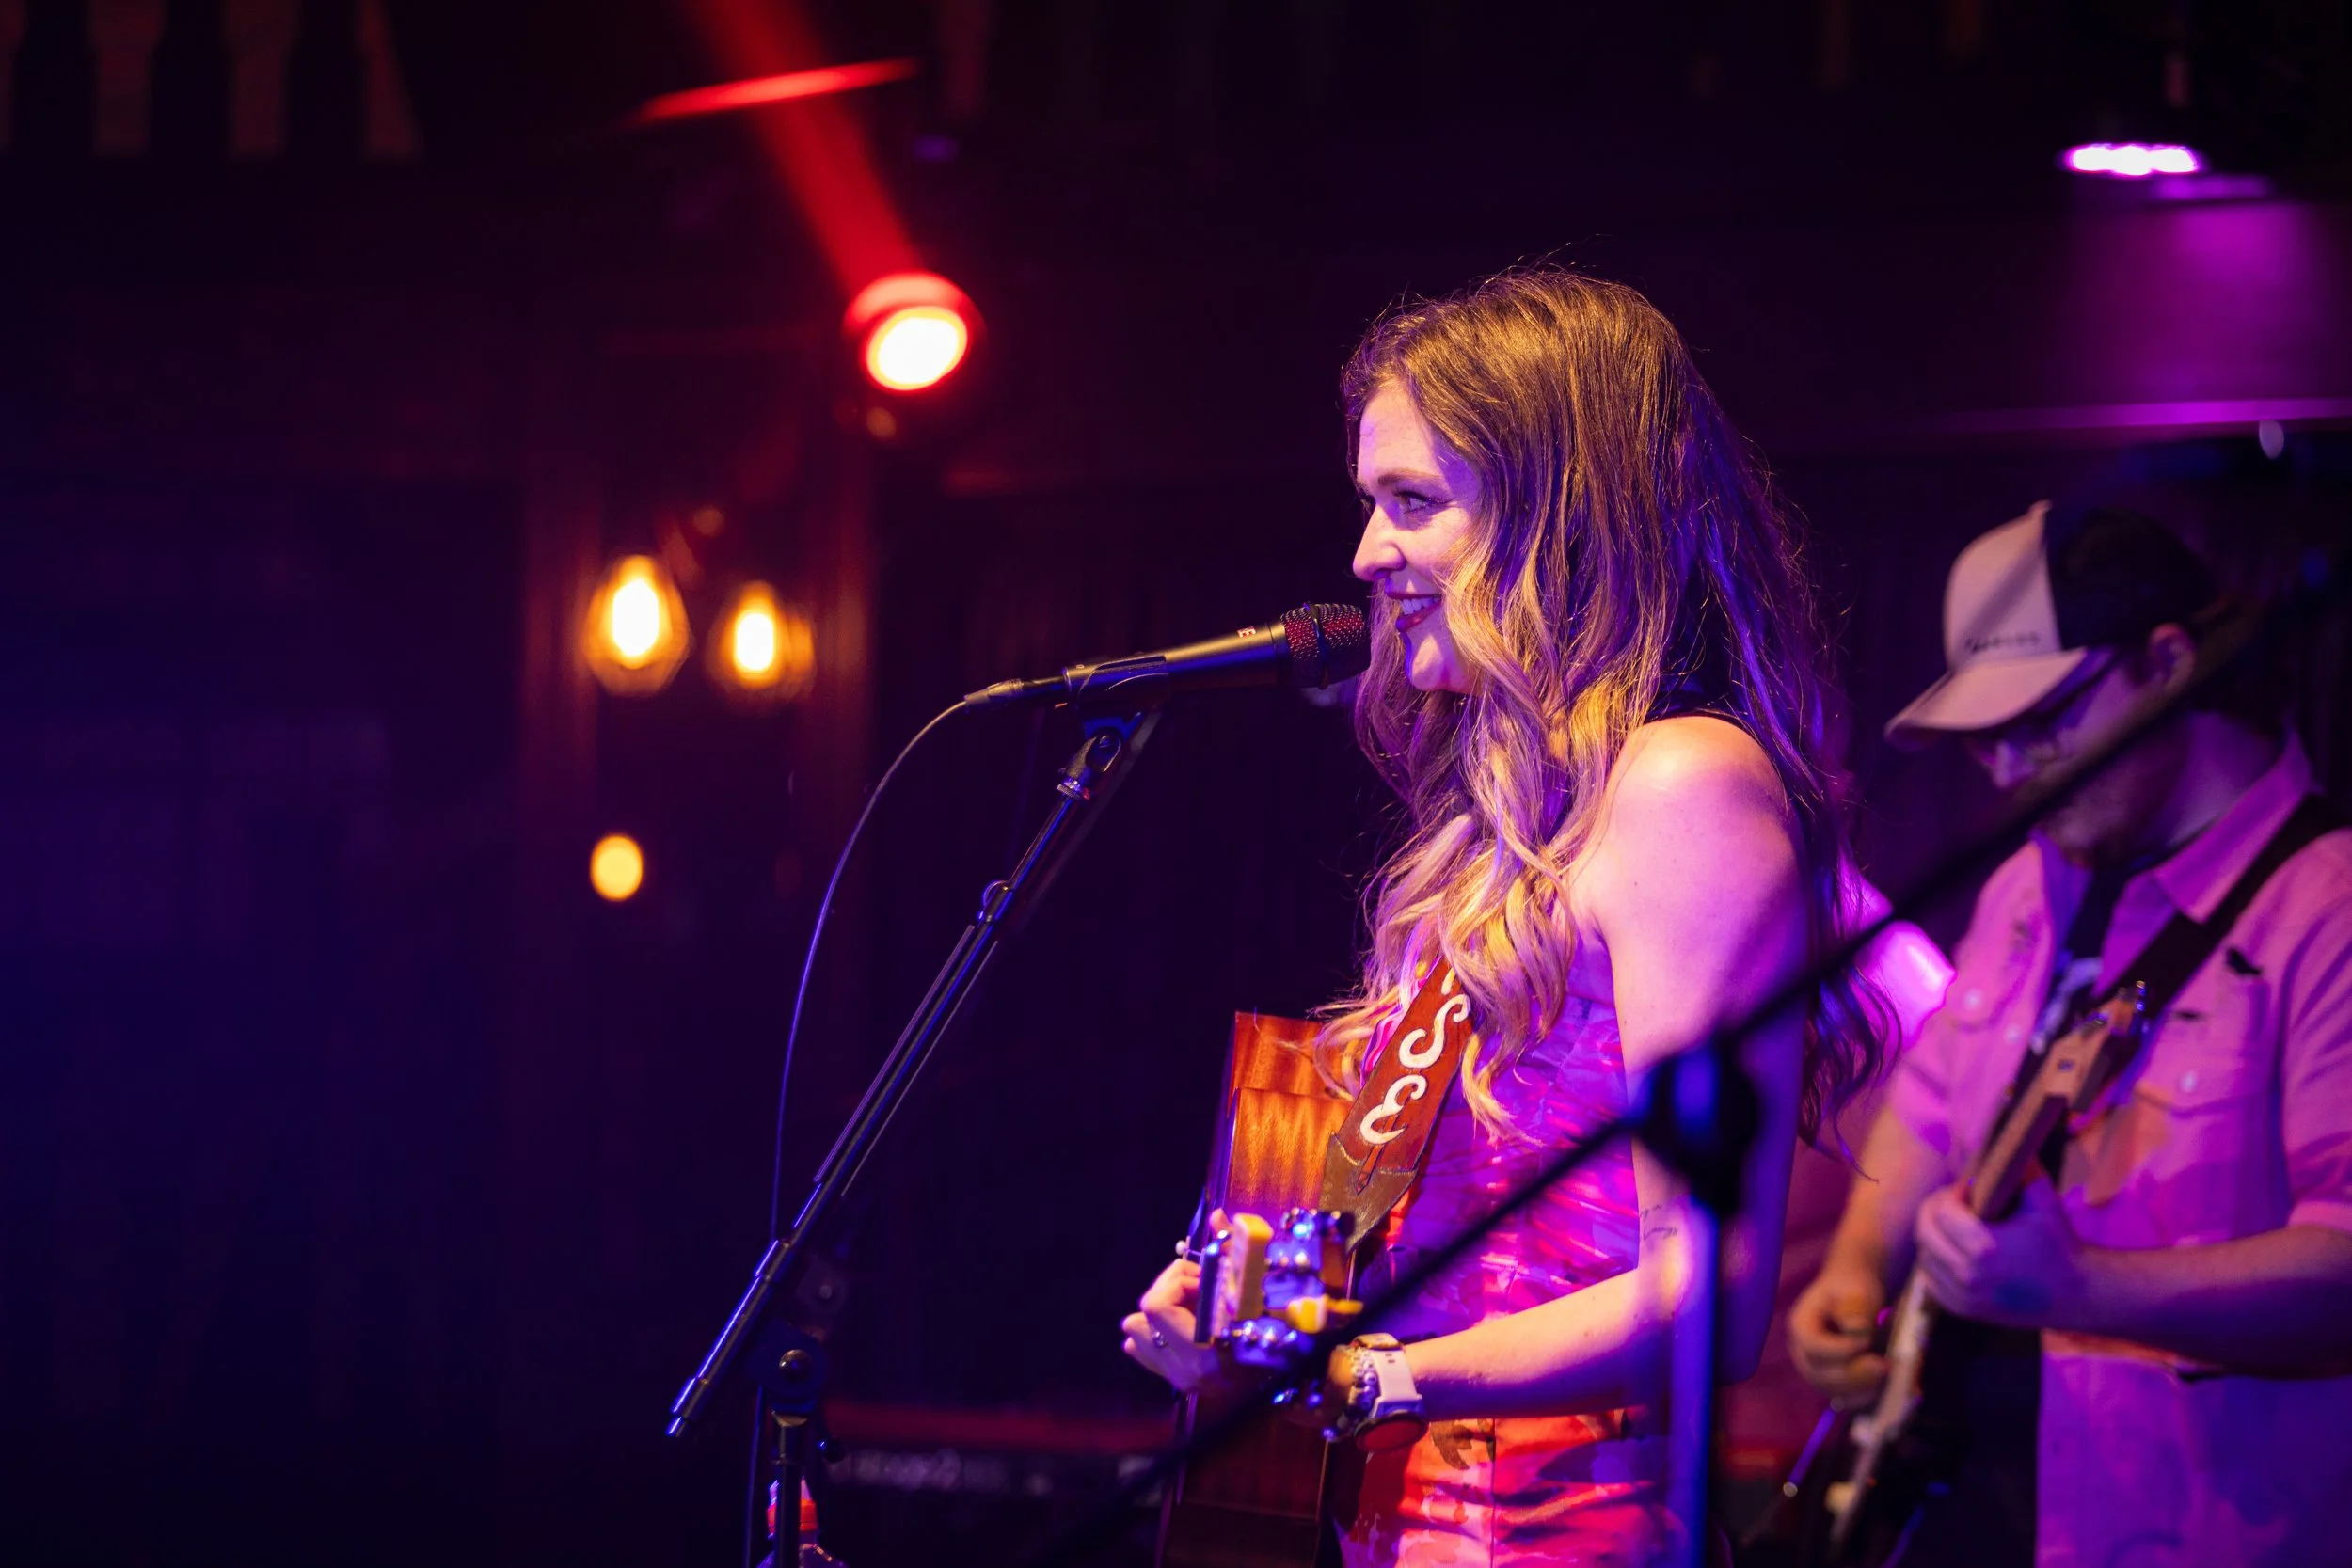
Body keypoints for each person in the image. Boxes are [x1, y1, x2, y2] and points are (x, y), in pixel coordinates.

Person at [1118, 269, 1886, 1564]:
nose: (1366, 555)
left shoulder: (1685, 785)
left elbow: (1708, 1289)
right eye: (1370, 503)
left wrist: (1377, 1372)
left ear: (1555, 516)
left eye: (1412, 501)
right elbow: (1429, 1251)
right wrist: (1248, 1318)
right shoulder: (1491, 838)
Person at [1786, 501, 2352, 1567]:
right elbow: (1932, 1103)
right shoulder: (2025, 887)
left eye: (2041, 721)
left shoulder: (2328, 914)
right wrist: (1858, 1265)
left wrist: (2084, 1288)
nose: (2005, 769)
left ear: (2170, 662)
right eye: (1985, 736)